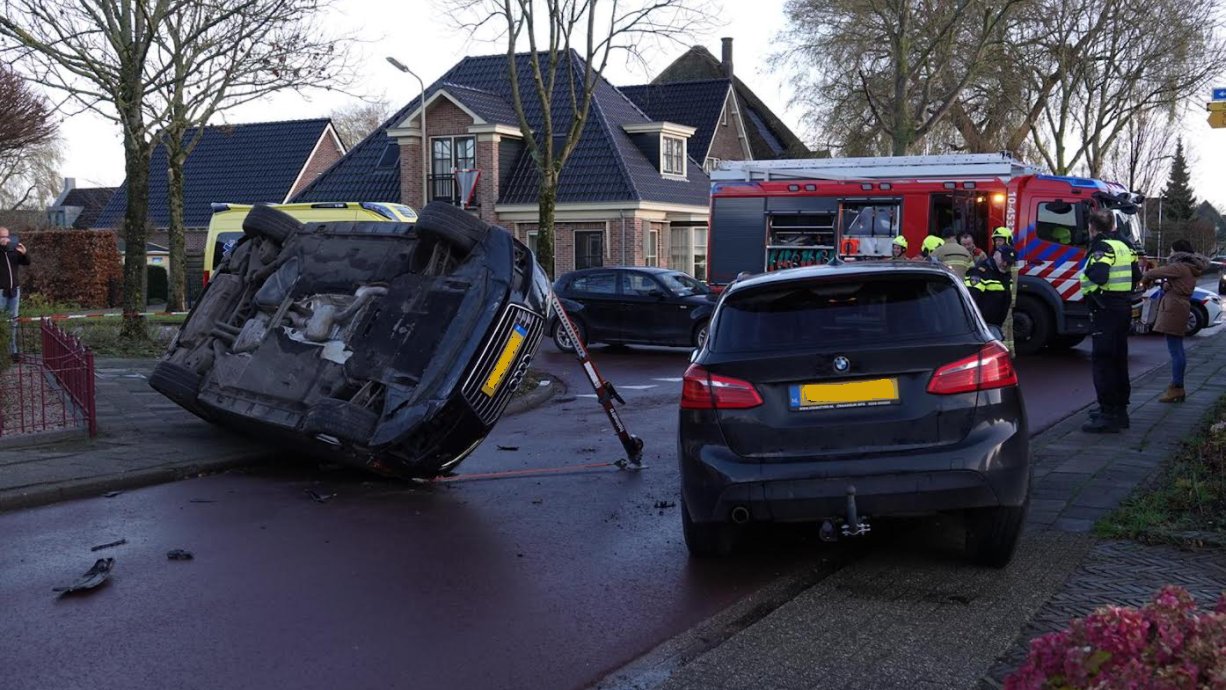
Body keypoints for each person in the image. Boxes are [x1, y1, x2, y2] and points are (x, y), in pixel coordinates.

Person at [1080, 210, 1141, 433]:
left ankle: (1108, 414)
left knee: (1103, 361)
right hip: (1122, 307)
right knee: (1118, 359)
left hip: (1104, 309)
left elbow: (1099, 275)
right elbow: (1137, 276)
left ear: (1092, 227)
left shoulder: (1102, 247)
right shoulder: (1125, 246)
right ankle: (1119, 410)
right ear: (1113, 225)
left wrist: (1090, 285)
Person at [1139, 239, 1208, 404]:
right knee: (1177, 349)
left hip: (1174, 309)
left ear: (1177, 253)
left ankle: (1177, 387)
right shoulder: (1189, 268)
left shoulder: (1179, 267)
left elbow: (1153, 273)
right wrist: (1168, 287)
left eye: (1171, 251)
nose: (1169, 254)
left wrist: (1144, 279)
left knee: (1175, 350)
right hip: (1180, 306)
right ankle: (1177, 387)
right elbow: (1179, 285)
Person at [964, 227, 1015, 328]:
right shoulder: (987, 264)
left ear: (1008, 240)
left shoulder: (1012, 258)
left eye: (1000, 240)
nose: (997, 243)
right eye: (996, 240)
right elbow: (973, 297)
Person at [0, 226, 30, 363]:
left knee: (13, 322)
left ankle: (13, 351)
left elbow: (27, 262)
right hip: (1, 291)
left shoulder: (13, 251)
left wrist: (24, 253)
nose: (5, 239)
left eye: (7, 236)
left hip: (14, 290)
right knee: (1, 322)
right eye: (2, 237)